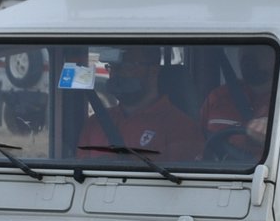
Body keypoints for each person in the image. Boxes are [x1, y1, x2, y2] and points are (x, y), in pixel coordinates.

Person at [76, 47, 204, 162]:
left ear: (154, 70)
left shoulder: (180, 127)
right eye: (112, 66)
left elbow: (183, 183)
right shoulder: (95, 123)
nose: (116, 73)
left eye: (128, 66)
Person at [197, 46, 278, 163]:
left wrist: (274, 134)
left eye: (260, 47)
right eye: (244, 45)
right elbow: (197, 143)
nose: (248, 54)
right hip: (210, 177)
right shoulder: (218, 97)